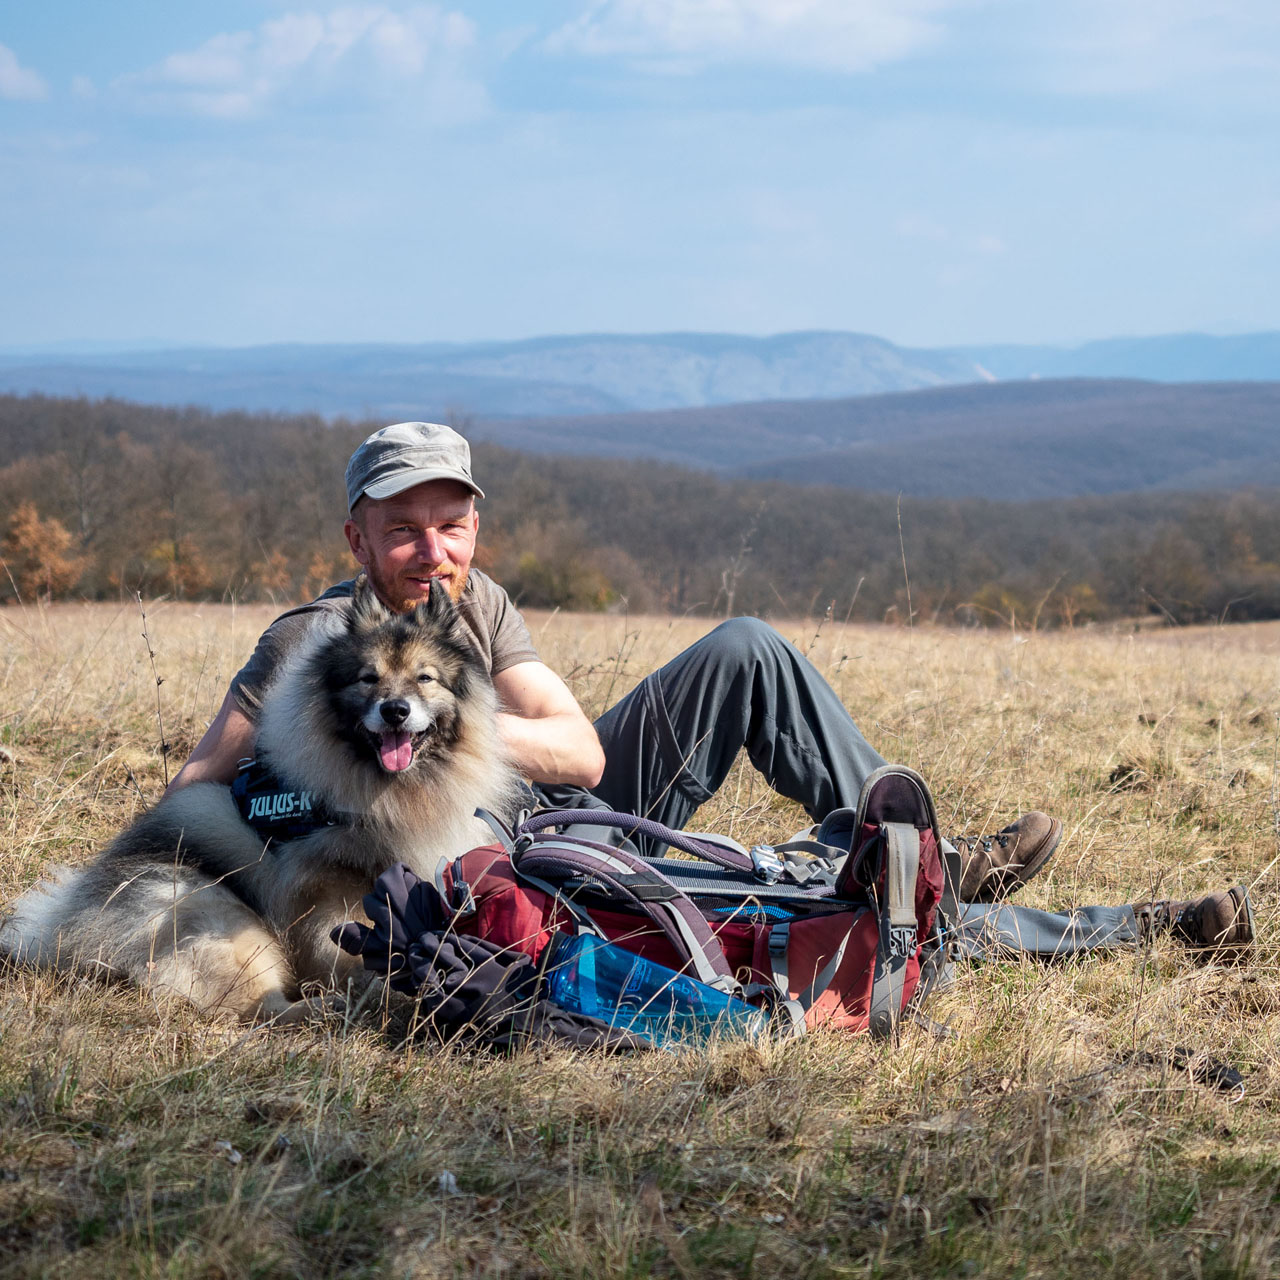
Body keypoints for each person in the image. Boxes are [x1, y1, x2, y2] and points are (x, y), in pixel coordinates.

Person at [170, 422, 1254, 959]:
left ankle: (929, 854)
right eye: (402, 526)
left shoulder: (477, 603)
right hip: (494, 872)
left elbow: (583, 751)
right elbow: (197, 786)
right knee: (798, 912)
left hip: (554, 808)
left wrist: (456, 733)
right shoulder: (311, 641)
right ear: (355, 533)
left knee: (745, 644)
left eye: (450, 524)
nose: (429, 548)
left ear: (475, 531)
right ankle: (1125, 928)